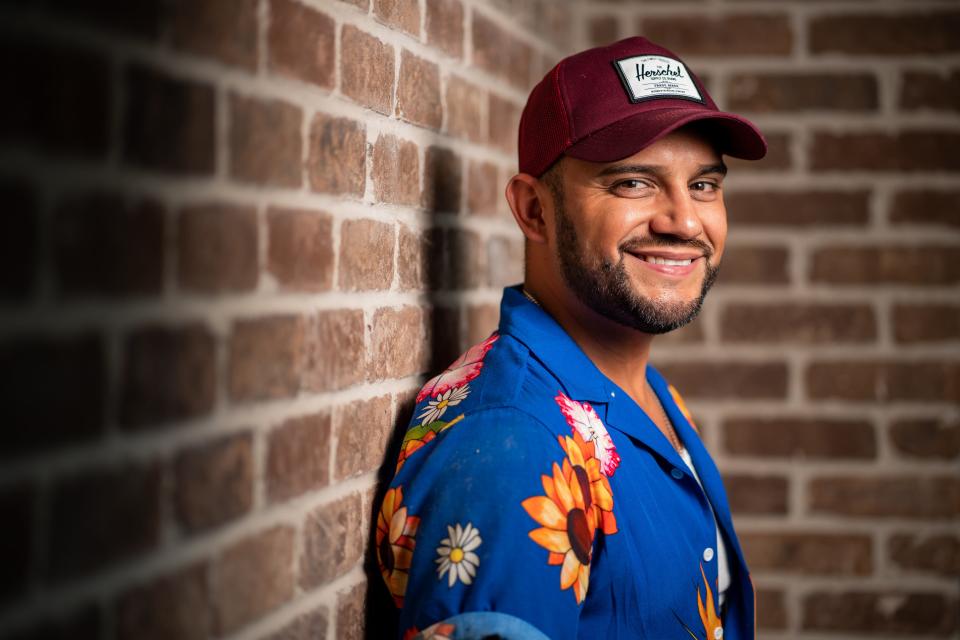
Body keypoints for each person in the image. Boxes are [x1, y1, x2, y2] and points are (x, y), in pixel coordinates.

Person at [376, 36, 767, 640]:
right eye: (633, 183)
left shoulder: (645, 391)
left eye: (704, 185)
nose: (684, 221)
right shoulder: (514, 443)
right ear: (534, 210)